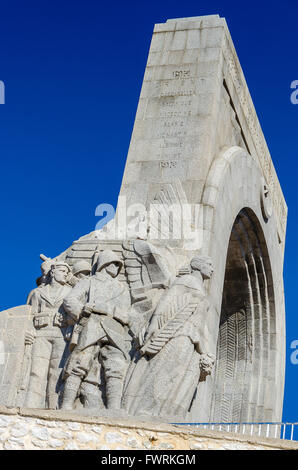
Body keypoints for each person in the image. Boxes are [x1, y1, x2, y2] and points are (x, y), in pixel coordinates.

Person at [122, 255, 215, 419]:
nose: (212, 268)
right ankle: (146, 410)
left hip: (192, 338)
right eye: (209, 264)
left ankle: (165, 414)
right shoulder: (187, 280)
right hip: (178, 332)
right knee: (164, 371)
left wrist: (205, 352)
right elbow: (167, 299)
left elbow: (201, 324)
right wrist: (154, 324)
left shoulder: (198, 286)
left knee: (177, 377)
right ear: (198, 265)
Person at [61, 250, 131, 411]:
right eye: (113, 263)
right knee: (79, 363)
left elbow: (126, 312)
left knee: (116, 367)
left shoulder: (122, 288)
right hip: (92, 324)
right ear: (104, 264)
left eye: (118, 264)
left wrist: (108, 309)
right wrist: (82, 308)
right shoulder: (89, 281)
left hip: (114, 328)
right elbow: (70, 299)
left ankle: (113, 408)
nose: (117, 266)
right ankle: (66, 405)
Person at [24, 261, 73, 409]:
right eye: (62, 271)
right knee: (36, 371)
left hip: (61, 334)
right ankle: (30, 406)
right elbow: (28, 315)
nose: (65, 274)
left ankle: (53, 408)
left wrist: (67, 320)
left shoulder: (70, 291)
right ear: (52, 272)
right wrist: (27, 331)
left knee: (57, 372)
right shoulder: (37, 293)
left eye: (67, 272)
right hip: (41, 333)